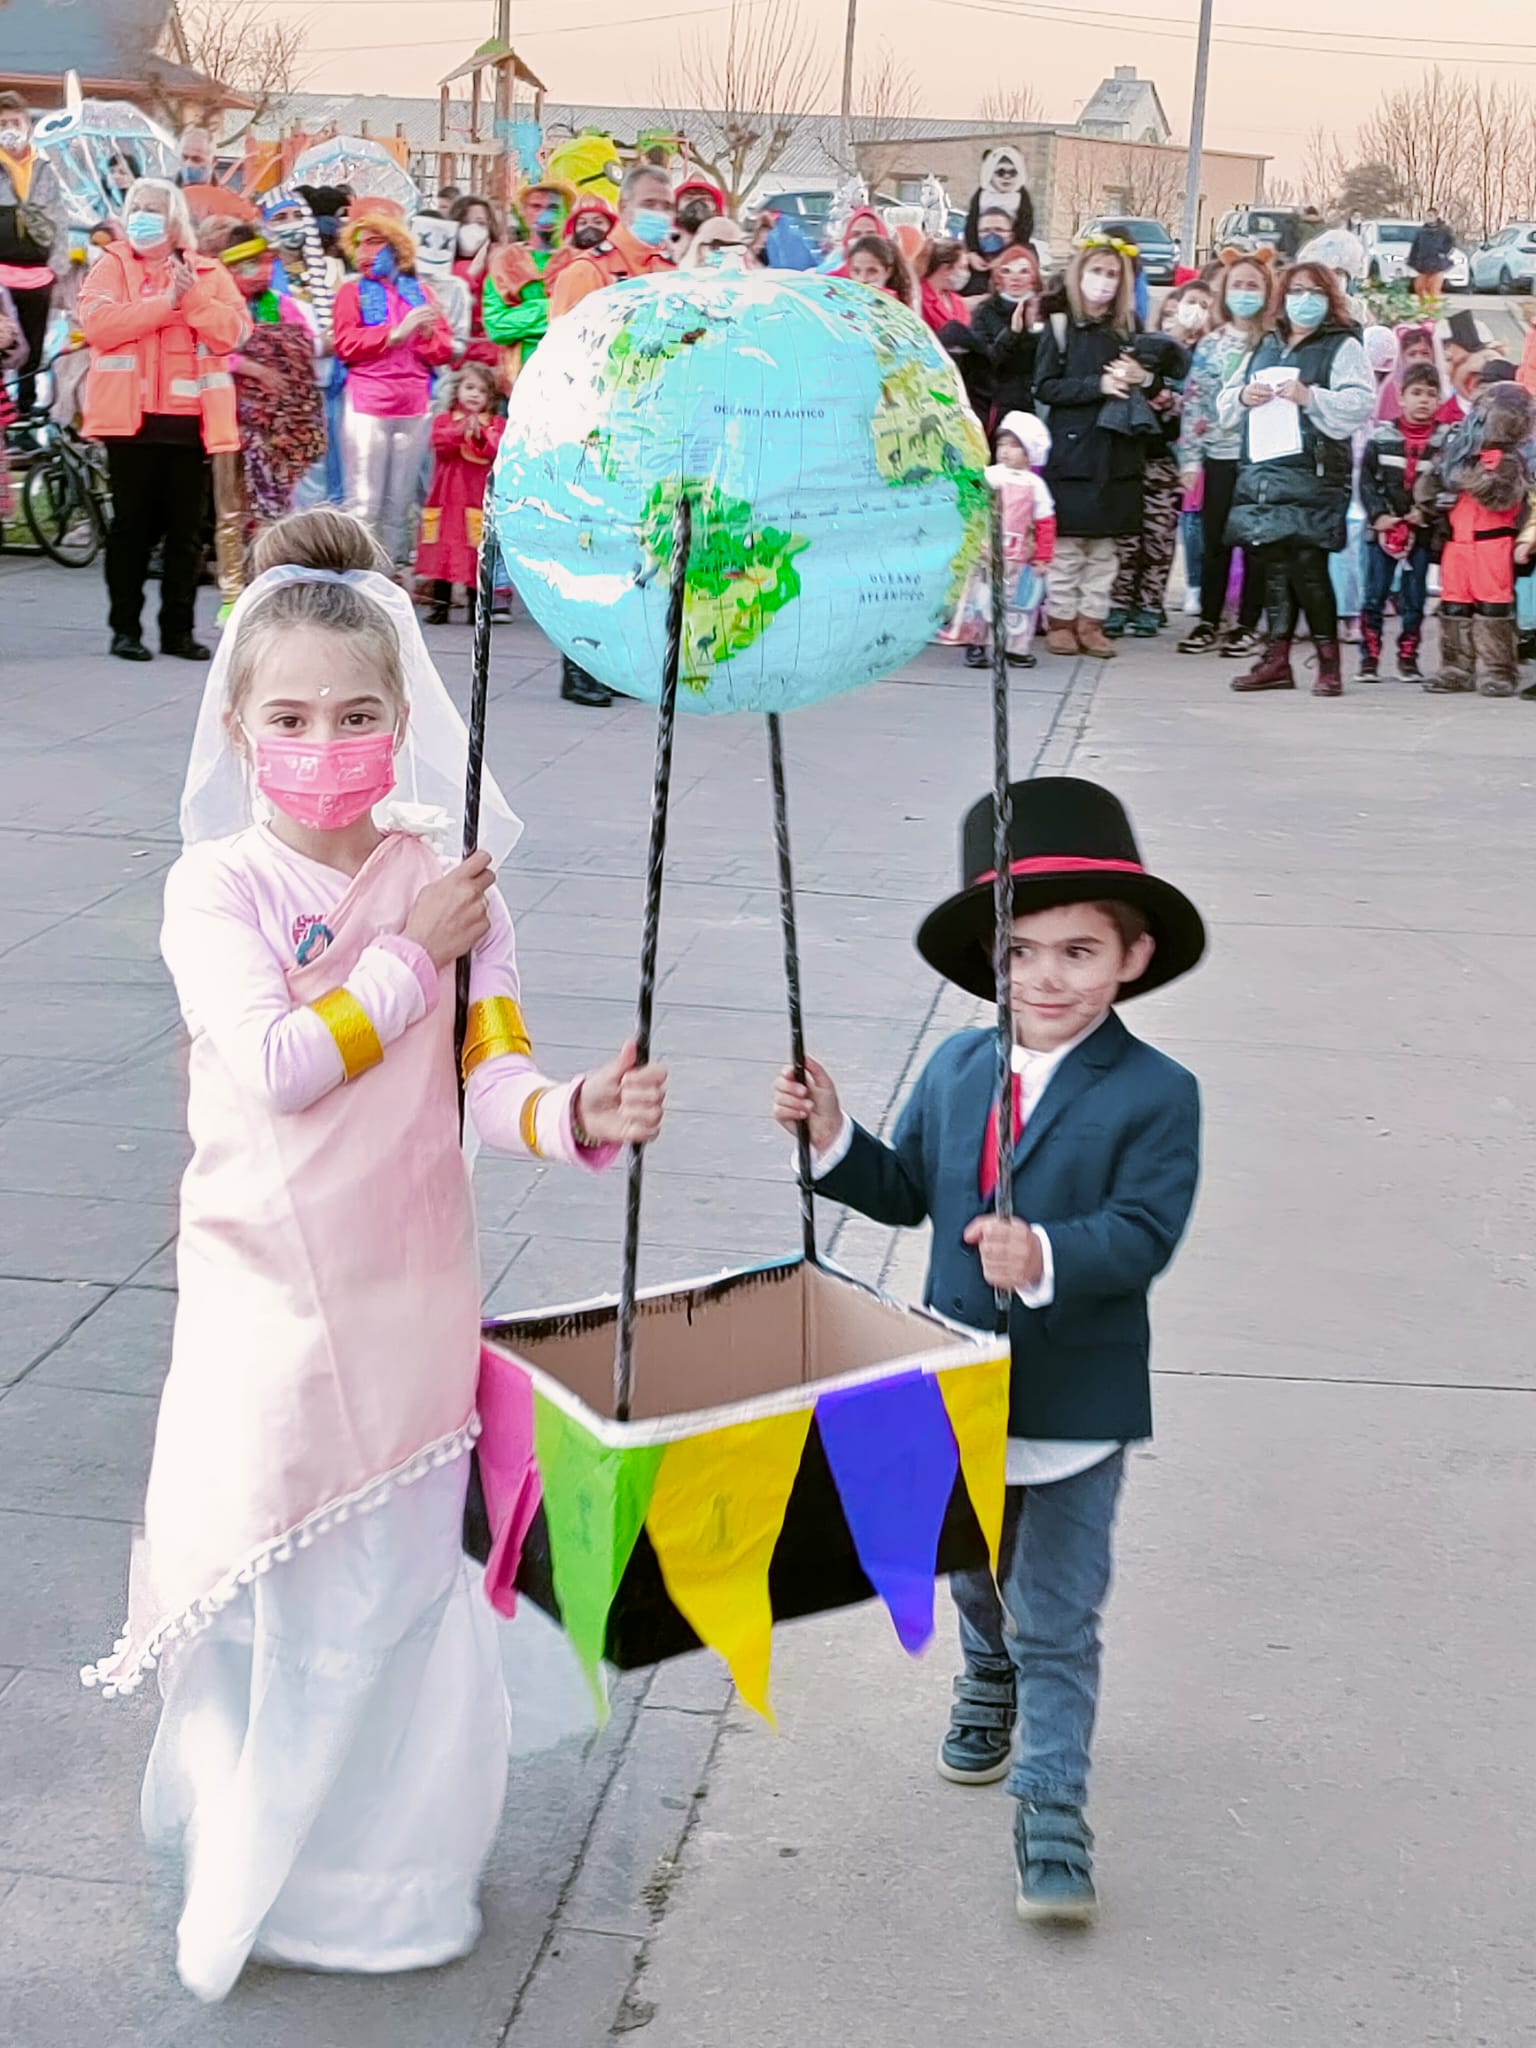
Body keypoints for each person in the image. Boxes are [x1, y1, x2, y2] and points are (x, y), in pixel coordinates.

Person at [80, 508, 668, 2003]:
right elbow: (281, 1061)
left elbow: (493, 1077)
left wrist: (578, 1111)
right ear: (240, 722)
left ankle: (384, 1888)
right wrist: (408, 947)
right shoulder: (215, 888)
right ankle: (253, 1861)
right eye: (289, 716)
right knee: (279, 1591)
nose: (323, 742)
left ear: (404, 724)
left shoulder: (456, 876)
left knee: (396, 1603)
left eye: (356, 716)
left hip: (412, 1287)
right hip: (262, 1297)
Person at [774, 774, 1203, 1929]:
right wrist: (832, 1136)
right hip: (958, 1386)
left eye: (1078, 950)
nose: (1048, 977)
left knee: (1060, 1608)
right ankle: (986, 1670)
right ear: (991, 960)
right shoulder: (960, 1068)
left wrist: (1049, 1253)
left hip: (1075, 1408)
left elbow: (1146, 1230)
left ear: (1134, 956)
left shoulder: (1160, 1093)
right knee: (974, 1566)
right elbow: (908, 1189)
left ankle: (1053, 1806)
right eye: (1022, 952)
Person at [78, 176, 248, 663]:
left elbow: (232, 333)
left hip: (189, 425)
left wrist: (191, 297)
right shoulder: (112, 266)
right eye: (137, 207)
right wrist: (164, 304)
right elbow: (99, 327)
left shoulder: (209, 272)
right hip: (128, 424)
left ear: (176, 220)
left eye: (154, 207)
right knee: (131, 529)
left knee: (185, 533)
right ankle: (125, 630)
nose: (144, 215)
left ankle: (178, 631)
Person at [1221, 261, 1374, 697]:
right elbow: (1226, 399)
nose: (1304, 300)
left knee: (1309, 563)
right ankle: (1276, 658)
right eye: (1296, 291)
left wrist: (1311, 397)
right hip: (1265, 470)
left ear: (1329, 299)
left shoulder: (1341, 346)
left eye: (1314, 292)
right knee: (1273, 562)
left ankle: (1328, 662)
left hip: (1315, 471)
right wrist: (1242, 396)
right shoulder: (1266, 344)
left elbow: (1359, 402)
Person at [1033, 241, 1158, 659]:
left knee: (1104, 554)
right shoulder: (1060, 325)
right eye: (1097, 271)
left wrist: (1142, 377)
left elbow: (1156, 381)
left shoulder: (1129, 327)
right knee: (1068, 550)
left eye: (1112, 274)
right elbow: (1046, 386)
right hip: (1072, 452)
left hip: (1116, 451)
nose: (1103, 282)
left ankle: (1093, 621)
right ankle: (1062, 620)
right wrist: (1095, 387)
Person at [212, 225, 326, 615]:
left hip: (278, 429)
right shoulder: (218, 307)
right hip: (228, 422)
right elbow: (208, 350)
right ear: (229, 269)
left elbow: (304, 345)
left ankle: (268, 582)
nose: (261, 271)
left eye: (264, 263)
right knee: (230, 509)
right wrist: (254, 368)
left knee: (273, 506)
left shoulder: (283, 304)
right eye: (249, 265)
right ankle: (231, 594)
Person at [333, 210, 455, 571]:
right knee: (364, 501)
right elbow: (345, 343)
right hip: (367, 402)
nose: (364, 252)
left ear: (396, 247)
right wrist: (394, 335)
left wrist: (429, 336)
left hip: (414, 404)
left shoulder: (422, 293)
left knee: (398, 503)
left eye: (374, 242)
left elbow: (444, 350)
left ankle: (384, 578)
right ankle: (354, 573)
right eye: (359, 244)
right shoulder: (350, 291)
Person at [1418, 381, 1536, 696]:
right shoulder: (1457, 449)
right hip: (1456, 543)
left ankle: (1498, 670)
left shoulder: (1511, 460)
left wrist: (1463, 479)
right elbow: (1426, 490)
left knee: (1493, 608)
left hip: (1492, 543)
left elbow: (1501, 498)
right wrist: (1435, 486)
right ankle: (1455, 667)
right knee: (1453, 606)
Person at [1107, 290, 1200, 637]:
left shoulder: (1174, 381)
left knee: (1158, 538)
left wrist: (1147, 383)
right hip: (1126, 463)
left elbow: (1175, 409)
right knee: (1125, 541)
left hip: (1162, 465)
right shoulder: (1122, 373)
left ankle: (1149, 604)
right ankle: (1119, 604)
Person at [938, 410, 1055, 670]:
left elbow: (1045, 522)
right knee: (980, 600)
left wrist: (1043, 556)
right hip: (986, 552)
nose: (1005, 451)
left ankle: (1014, 648)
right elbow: (969, 501)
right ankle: (976, 644)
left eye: (1015, 446)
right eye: (1002, 444)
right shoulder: (991, 475)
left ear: (1030, 452)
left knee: (1017, 605)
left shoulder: (1036, 485)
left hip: (1018, 557)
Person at [1356, 362, 1447, 682]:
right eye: (1416, 393)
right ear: (1401, 397)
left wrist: (1426, 513)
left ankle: (1408, 657)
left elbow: (1447, 486)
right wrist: (1379, 515)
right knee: (1374, 594)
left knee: (1415, 597)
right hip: (1382, 532)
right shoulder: (1381, 438)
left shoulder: (1445, 443)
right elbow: (1366, 481)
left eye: (1431, 395)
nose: (1423, 401)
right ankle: (1369, 658)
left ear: (1439, 401)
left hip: (1420, 534)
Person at [417, 361, 503, 623]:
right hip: (445, 500)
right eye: (469, 387)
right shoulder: (445, 421)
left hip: (475, 501)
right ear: (457, 390)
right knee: (441, 554)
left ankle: (476, 609)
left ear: (490, 398)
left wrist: (479, 435)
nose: (474, 394)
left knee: (474, 554)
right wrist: (461, 429)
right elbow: (441, 444)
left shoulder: (495, 424)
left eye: (482, 390)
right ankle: (439, 607)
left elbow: (493, 449)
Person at [0, 91, 70, 413]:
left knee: (35, 343)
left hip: (38, 275)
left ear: (27, 125)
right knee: (4, 343)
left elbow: (59, 218)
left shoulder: (44, 169)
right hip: (2, 273)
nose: (9, 128)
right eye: (2, 123)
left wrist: (58, 267)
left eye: (15, 121)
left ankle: (26, 408)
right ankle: (4, 411)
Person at [546, 162, 675, 321]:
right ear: (623, 207)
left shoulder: (675, 269)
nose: (659, 213)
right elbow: (564, 341)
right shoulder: (586, 271)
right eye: (649, 204)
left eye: (667, 206)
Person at [941, 244, 1042, 436]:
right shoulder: (985, 312)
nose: (1015, 277)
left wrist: (1033, 330)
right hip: (997, 405)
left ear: (1034, 280)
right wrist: (1013, 332)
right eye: (1006, 271)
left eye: (1024, 271)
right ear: (998, 280)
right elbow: (987, 360)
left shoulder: (1044, 311)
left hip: (1034, 403)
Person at [483, 180, 572, 385]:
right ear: (524, 211)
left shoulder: (579, 261)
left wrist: (522, 315)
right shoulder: (506, 261)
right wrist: (552, 308)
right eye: (536, 207)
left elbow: (584, 320)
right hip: (517, 378)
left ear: (565, 212)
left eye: (553, 207)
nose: (545, 215)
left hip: (567, 378)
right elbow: (497, 326)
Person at [919, 237, 971, 337]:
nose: (966, 273)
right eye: (962, 267)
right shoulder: (918, 297)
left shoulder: (957, 300)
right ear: (945, 268)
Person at [843, 232, 915, 304]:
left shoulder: (896, 308)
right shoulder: (843, 300)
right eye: (856, 271)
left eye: (872, 271)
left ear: (888, 272)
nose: (863, 279)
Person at [1407, 213, 1455, 302]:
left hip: (1437, 265)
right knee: (1419, 287)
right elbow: (1415, 247)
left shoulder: (1443, 231)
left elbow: (1450, 243)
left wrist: (1443, 253)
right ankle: (1425, 308)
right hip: (1423, 265)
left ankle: (1431, 311)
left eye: (1431, 216)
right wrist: (1412, 261)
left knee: (1433, 289)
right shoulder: (1421, 232)